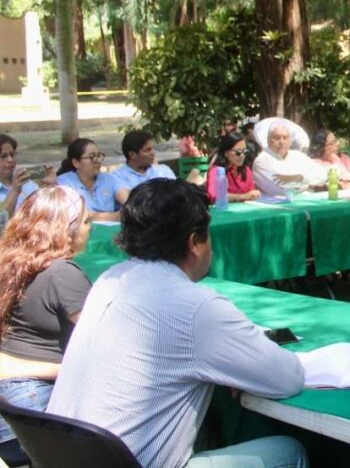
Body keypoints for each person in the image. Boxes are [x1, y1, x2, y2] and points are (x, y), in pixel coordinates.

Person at [46, 179, 307, 468]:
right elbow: (287, 379)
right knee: (287, 450)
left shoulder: (108, 281)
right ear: (194, 242)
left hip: (67, 457)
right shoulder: (197, 307)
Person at [0, 187, 91, 464]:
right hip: (35, 402)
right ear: (67, 229)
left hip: (11, 401)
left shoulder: (9, 264)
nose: (90, 229)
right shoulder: (63, 273)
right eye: (86, 222)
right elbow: (100, 342)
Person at [253, 120, 328, 197]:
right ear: (268, 140)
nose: (281, 142)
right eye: (277, 138)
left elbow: (323, 175)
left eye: (285, 138)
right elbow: (283, 190)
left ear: (290, 141)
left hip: (307, 201)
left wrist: (300, 177)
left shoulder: (298, 155)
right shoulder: (262, 160)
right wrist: (309, 184)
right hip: (277, 206)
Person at [56, 138, 120, 221]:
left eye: (99, 156)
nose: (97, 161)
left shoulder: (109, 179)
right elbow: (77, 215)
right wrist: (115, 216)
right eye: (92, 157)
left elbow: (126, 199)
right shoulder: (65, 182)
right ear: (76, 163)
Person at [111, 130, 178, 205]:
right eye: (147, 150)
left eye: (152, 149)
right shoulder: (117, 177)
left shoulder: (163, 170)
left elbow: (178, 196)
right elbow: (132, 206)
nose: (153, 153)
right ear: (132, 154)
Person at [0, 133, 55, 218]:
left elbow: (47, 212)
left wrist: (50, 187)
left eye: (12, 154)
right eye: (3, 156)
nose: (10, 160)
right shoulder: (18, 184)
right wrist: (15, 191)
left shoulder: (25, 181)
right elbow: (1, 222)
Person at [205, 132, 261, 204]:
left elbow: (252, 193)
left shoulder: (246, 170)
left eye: (245, 152)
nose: (242, 156)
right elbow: (216, 196)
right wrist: (244, 196)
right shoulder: (217, 171)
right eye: (238, 152)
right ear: (226, 153)